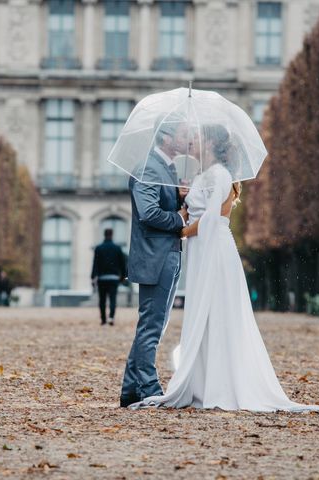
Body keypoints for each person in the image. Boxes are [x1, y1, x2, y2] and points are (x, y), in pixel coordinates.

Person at [129, 125, 319, 414]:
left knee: (217, 313)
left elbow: (211, 220)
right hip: (202, 249)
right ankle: (204, 382)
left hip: (211, 250)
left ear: (209, 144)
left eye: (197, 138)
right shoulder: (203, 175)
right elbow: (200, 209)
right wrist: (185, 200)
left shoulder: (218, 174)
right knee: (205, 316)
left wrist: (180, 231)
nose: (192, 141)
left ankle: (219, 385)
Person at [119, 115, 190, 408]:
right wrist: (179, 218)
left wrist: (179, 196)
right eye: (184, 133)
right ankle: (148, 387)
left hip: (165, 254)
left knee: (154, 325)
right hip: (155, 256)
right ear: (166, 138)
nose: (189, 139)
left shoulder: (165, 168)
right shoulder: (150, 167)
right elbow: (148, 213)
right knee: (152, 325)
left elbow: (158, 204)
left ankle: (130, 389)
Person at [91, 228, 127, 326]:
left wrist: (93, 277)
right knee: (112, 299)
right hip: (114, 278)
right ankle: (111, 317)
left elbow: (95, 264)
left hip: (102, 278)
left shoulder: (99, 248)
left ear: (104, 234)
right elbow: (122, 264)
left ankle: (103, 319)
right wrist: (123, 276)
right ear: (112, 235)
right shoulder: (117, 248)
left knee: (102, 300)